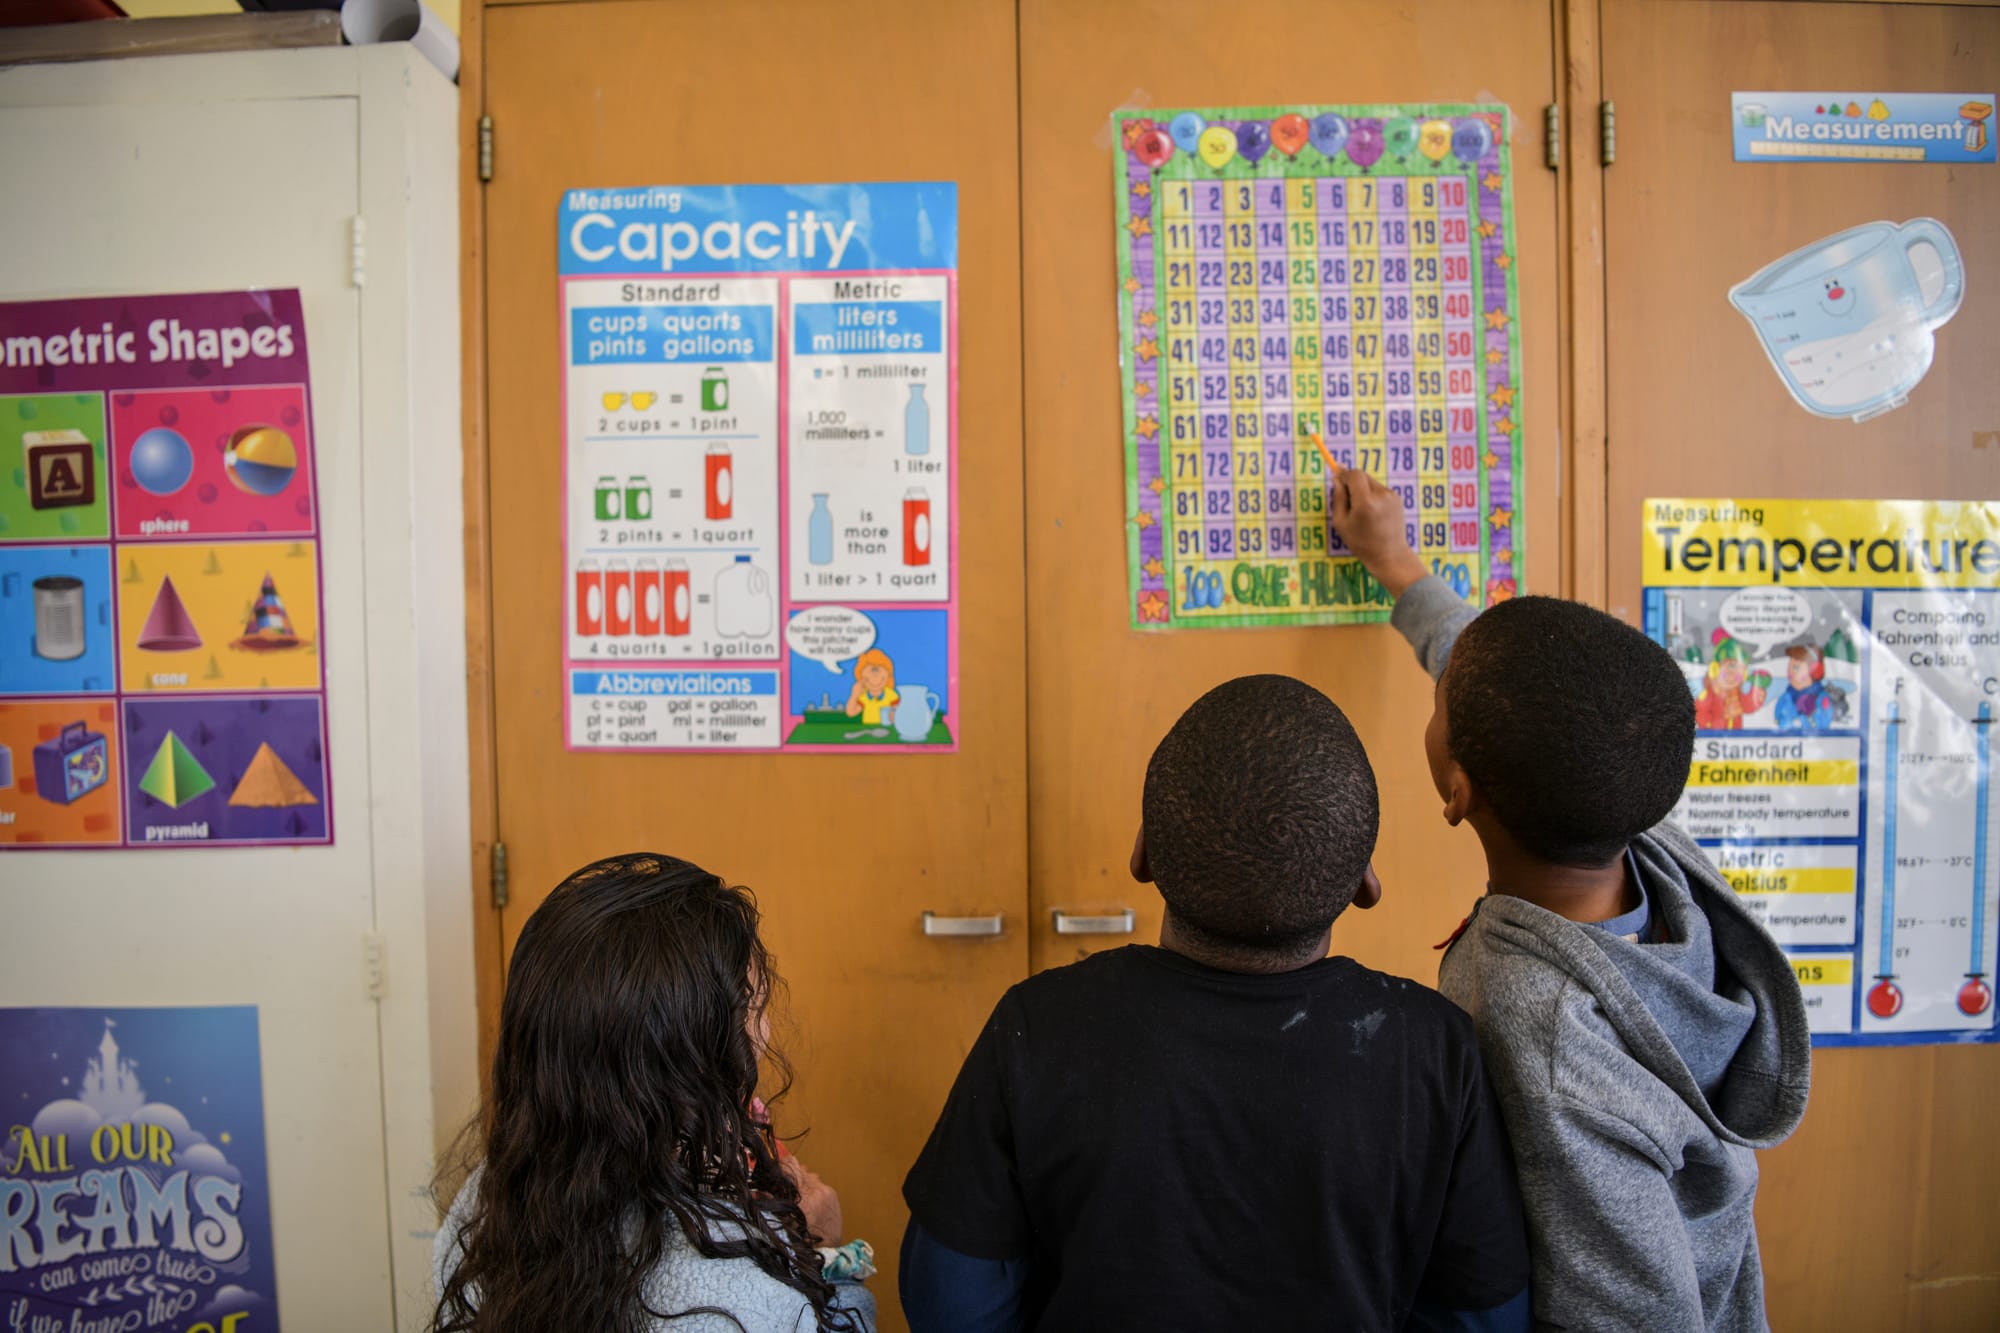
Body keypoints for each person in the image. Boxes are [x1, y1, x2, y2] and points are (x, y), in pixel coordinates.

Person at [1329, 468, 1811, 1332]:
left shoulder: (1543, 1029)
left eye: (1443, 704)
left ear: (1457, 790)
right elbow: (1519, 694)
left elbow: (1631, 1310)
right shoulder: (1645, 820)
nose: (1443, 695)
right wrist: (1399, 566)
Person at [901, 675, 1532, 1332]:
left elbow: (951, 1302)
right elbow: (1484, 1316)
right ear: (1363, 882)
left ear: (1143, 852)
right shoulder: (1433, 1050)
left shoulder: (1037, 1025)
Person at [430, 853, 871, 1332]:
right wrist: (823, 1255)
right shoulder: (741, 1300)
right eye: (754, 1003)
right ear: (690, 1066)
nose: (765, 1027)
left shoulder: (484, 1208)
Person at [1695, 629, 1771, 730]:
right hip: (1713, 739)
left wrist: (1758, 687)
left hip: (1735, 741)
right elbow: (1700, 711)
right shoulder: (1710, 694)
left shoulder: (1736, 693)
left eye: (1741, 669)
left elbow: (1748, 705)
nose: (1734, 675)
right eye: (1731, 666)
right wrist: (1712, 726)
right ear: (1715, 668)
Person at [1774, 643, 1836, 732]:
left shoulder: (1821, 699)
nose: (1790, 672)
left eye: (1796, 667)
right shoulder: (1786, 697)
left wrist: (1808, 716)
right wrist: (1790, 721)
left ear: (1815, 670)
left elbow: (1823, 726)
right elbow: (1778, 720)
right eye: (1789, 667)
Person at [844, 648, 898, 726]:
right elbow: (851, 713)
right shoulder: (864, 695)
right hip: (868, 730)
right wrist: (854, 695)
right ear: (861, 677)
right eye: (869, 671)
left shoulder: (891, 695)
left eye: (879, 669)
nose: (875, 678)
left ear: (888, 676)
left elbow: (900, 712)